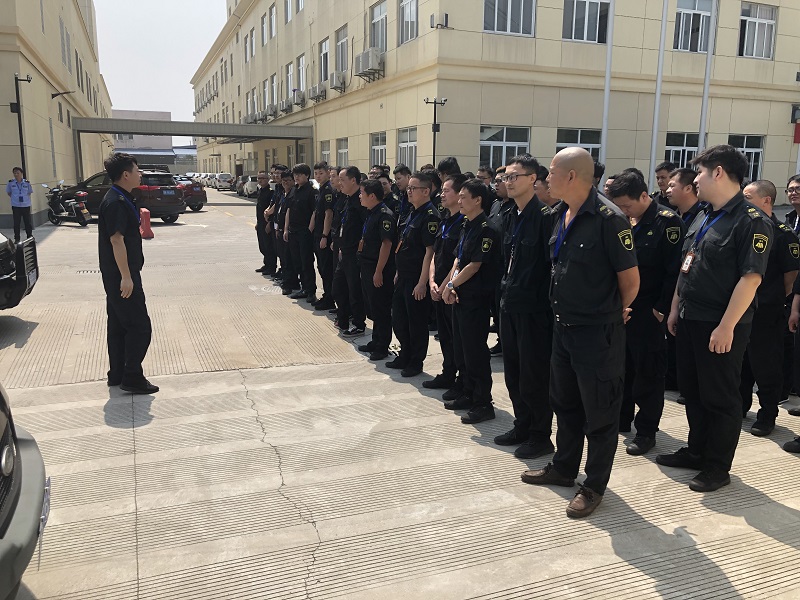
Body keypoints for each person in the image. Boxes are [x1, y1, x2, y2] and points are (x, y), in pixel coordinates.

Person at [521, 147, 639, 519]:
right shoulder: (560, 213)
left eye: (552, 172)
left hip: (597, 335)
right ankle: (564, 467)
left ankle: (594, 486)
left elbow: (630, 281)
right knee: (565, 403)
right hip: (564, 329)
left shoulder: (609, 219)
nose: (545, 179)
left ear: (572, 176)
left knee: (600, 414)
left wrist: (609, 312)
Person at [659, 145, 771, 493]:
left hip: (720, 324)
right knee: (693, 391)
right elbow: (688, 265)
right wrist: (676, 307)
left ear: (719, 172)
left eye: (701, 173)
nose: (696, 180)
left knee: (720, 396)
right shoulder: (704, 215)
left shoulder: (752, 221)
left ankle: (717, 466)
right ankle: (697, 451)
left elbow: (750, 279)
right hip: (690, 317)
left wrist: (726, 326)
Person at [606, 172, 684, 455]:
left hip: (649, 311)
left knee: (649, 373)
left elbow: (674, 271)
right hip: (623, 309)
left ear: (643, 196)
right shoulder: (623, 221)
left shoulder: (667, 222)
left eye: (627, 205)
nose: (624, 211)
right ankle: (622, 417)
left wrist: (661, 309)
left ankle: (647, 430)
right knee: (622, 367)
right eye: (619, 207)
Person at [494, 155, 555, 459]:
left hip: (534, 310)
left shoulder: (546, 218)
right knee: (514, 372)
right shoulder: (509, 215)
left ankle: (540, 435)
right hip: (510, 303)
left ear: (532, 179)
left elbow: (551, 268)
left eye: (513, 176)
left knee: (534, 375)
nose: (508, 182)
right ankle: (523, 425)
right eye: (505, 177)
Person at [738, 180, 798, 435]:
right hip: (741, 308)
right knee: (741, 362)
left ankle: (767, 414)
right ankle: (740, 406)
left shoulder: (782, 234)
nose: (742, 202)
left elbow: (790, 277)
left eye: (748, 197)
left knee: (766, 365)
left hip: (767, 310)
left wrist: (775, 300)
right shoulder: (743, 227)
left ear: (766, 201)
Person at [97, 153, 157, 394]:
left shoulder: (120, 197)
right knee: (139, 327)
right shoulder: (116, 202)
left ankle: (117, 374)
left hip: (116, 275)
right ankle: (132, 376)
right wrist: (126, 276)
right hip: (121, 276)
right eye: (137, 170)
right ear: (125, 174)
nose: (140, 174)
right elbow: (116, 240)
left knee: (119, 327)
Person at [442, 179, 500, 424]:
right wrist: (450, 284)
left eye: (464, 197)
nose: (459, 200)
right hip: (461, 296)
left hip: (476, 299)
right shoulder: (467, 224)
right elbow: (459, 259)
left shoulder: (488, 229)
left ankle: (483, 402)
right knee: (461, 348)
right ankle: (467, 392)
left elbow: (475, 265)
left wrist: (452, 285)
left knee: (475, 351)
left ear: (478, 200)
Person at [389, 171, 440, 377]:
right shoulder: (413, 212)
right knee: (400, 319)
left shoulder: (430, 216)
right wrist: (398, 271)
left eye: (413, 188)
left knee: (416, 322)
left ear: (426, 191)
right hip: (404, 275)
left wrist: (422, 283)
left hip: (416, 278)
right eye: (408, 188)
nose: (409, 191)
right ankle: (405, 354)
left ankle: (415, 361)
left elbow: (430, 252)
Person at [424, 174, 467, 393]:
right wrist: (431, 280)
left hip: (452, 291)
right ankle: (448, 373)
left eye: (446, 191)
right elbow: (435, 254)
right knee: (445, 337)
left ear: (460, 194)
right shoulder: (445, 220)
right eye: (441, 190)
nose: (441, 194)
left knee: (457, 339)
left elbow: (458, 260)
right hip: (438, 288)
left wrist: (443, 286)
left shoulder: (463, 224)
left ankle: (461, 380)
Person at [357, 179, 396, 360]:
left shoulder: (384, 215)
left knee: (381, 307)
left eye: (362, 193)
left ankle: (382, 346)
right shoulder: (371, 212)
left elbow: (386, 244)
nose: (360, 196)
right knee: (372, 306)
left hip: (377, 267)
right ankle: (375, 340)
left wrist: (379, 271)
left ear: (372, 196)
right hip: (367, 265)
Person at [333, 166, 367, 336]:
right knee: (338, 287)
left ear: (353, 180)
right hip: (344, 250)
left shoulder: (361, 201)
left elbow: (365, 229)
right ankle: (343, 318)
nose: (339, 183)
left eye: (342, 180)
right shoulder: (347, 199)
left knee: (354, 290)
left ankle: (359, 324)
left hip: (355, 252)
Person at [312, 162, 335, 310]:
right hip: (318, 234)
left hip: (324, 236)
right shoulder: (321, 189)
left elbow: (329, 214)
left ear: (327, 172)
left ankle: (330, 298)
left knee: (326, 269)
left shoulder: (328, 190)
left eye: (321, 173)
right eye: (316, 173)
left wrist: (325, 236)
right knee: (321, 267)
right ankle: (327, 295)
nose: (318, 176)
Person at [276, 170, 299, 295]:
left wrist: (285, 229)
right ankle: (288, 280)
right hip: (280, 229)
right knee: (283, 257)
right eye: (284, 180)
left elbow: (289, 213)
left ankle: (289, 283)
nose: (286, 183)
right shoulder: (282, 193)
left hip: (289, 231)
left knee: (288, 259)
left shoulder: (293, 193)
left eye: (288, 180)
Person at [254, 170, 276, 275]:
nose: (260, 180)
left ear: (268, 180)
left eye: (263, 178)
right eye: (259, 178)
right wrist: (258, 223)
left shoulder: (270, 192)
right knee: (262, 245)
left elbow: (271, 209)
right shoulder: (260, 190)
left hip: (267, 222)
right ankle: (266, 264)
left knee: (268, 246)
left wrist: (269, 223)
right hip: (260, 222)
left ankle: (271, 266)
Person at [5, 167, 33, 243]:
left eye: (18, 173)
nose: (16, 174)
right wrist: (15, 199)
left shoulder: (27, 183)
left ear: (21, 174)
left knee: (27, 222)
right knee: (16, 223)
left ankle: (30, 237)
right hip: (16, 206)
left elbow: (29, 192)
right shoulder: (11, 183)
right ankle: (17, 239)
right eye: (15, 173)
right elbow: (9, 193)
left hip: (25, 205)